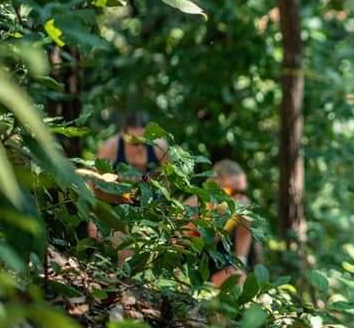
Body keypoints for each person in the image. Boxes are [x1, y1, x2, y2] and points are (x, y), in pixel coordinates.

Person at [87, 111, 168, 258]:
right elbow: (92, 180)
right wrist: (93, 218)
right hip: (117, 207)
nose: (138, 147)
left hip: (150, 207)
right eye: (133, 141)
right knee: (122, 251)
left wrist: (165, 210)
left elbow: (169, 181)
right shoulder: (111, 146)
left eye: (142, 140)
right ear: (123, 134)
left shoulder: (159, 147)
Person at [184, 159, 259, 288]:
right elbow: (181, 238)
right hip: (188, 251)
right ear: (216, 182)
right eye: (233, 191)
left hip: (215, 252)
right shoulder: (196, 204)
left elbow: (244, 233)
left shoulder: (241, 204)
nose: (238, 198)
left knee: (238, 277)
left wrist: (241, 259)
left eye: (241, 192)